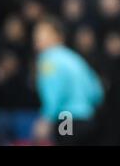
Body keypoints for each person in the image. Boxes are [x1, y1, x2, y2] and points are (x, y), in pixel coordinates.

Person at [32, 17, 104, 145]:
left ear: (58, 36)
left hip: (67, 119)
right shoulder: (74, 58)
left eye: (43, 34)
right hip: (89, 119)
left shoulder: (48, 59)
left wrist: (46, 118)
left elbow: (54, 92)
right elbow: (97, 91)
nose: (37, 38)